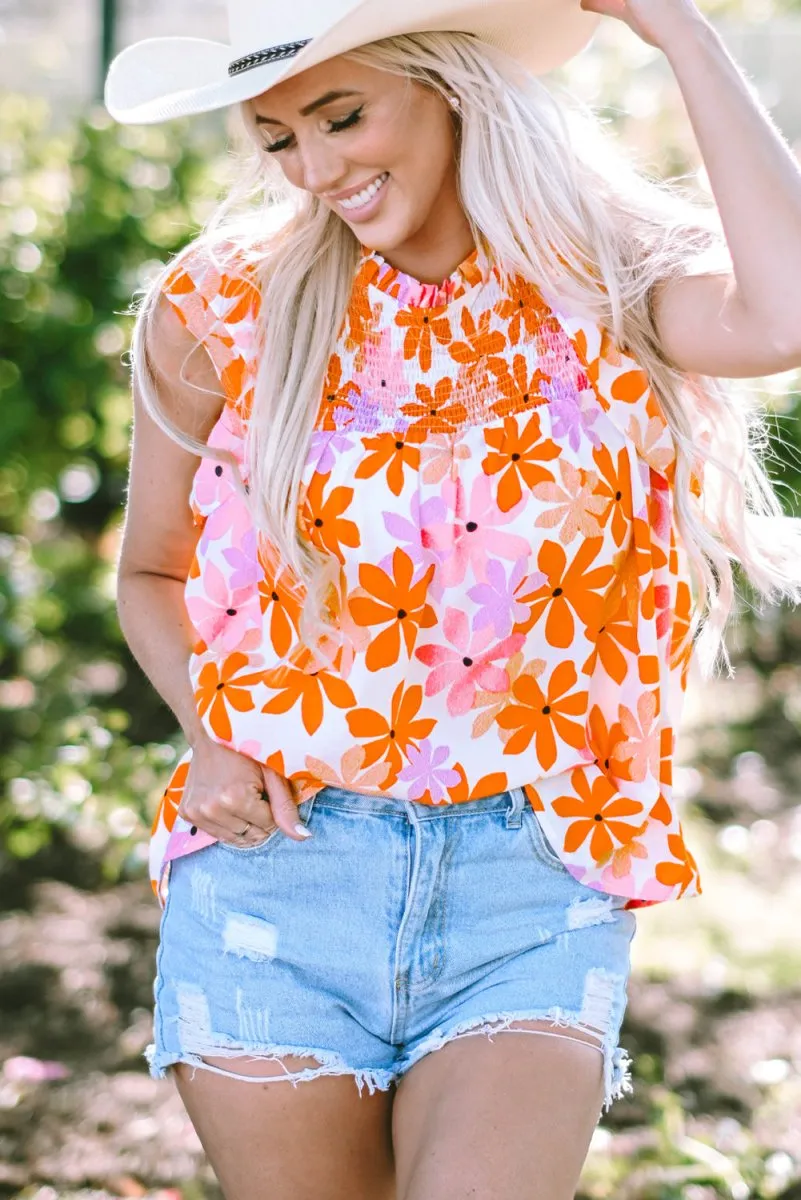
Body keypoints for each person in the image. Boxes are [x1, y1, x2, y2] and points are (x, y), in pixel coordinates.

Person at [104, 0, 801, 1195]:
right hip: (281, 867)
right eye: (276, 137)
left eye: (342, 114)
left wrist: (684, 34)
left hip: (531, 875)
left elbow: (784, 317)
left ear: (450, 85)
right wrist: (211, 737)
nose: (316, 170)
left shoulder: (608, 285)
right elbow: (148, 572)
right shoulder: (223, 304)